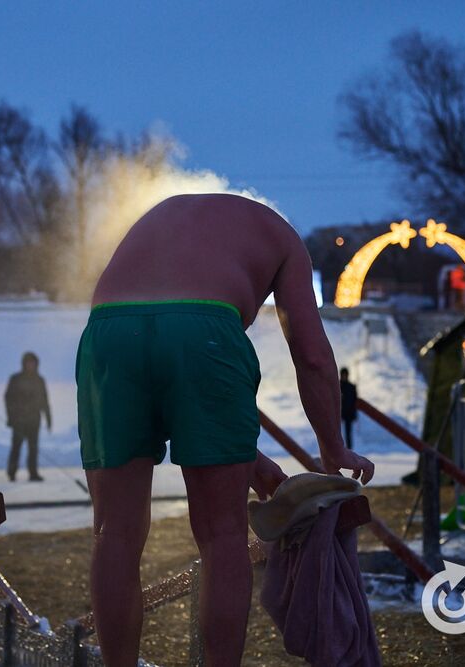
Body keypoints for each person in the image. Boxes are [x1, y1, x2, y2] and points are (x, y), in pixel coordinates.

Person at [76, 193, 375, 666]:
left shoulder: (168, 215)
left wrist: (247, 458)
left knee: (115, 532)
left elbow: (164, 352)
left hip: (109, 332)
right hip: (207, 331)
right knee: (222, 536)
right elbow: (313, 356)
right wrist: (333, 448)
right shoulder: (284, 239)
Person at [4, 352, 51, 482]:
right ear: (24, 364)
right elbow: (8, 398)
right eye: (28, 362)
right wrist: (10, 417)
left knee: (33, 448)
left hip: (34, 420)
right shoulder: (16, 379)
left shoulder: (39, 380)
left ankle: (33, 472)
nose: (31, 365)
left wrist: (48, 419)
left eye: (33, 363)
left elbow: (45, 401)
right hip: (18, 421)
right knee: (16, 447)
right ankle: (12, 473)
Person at [340, 367, 358, 450]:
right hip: (338, 413)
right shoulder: (336, 386)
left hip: (348, 413)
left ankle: (349, 449)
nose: (344, 376)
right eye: (343, 374)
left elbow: (355, 401)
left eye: (345, 374)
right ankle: (338, 449)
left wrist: (354, 414)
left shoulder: (351, 387)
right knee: (336, 433)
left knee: (348, 433)